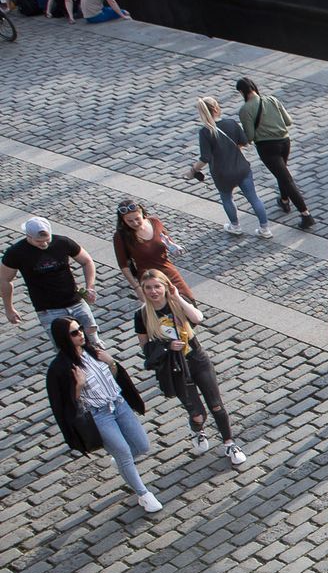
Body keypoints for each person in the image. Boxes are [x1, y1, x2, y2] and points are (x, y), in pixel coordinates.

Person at [43, 316, 161, 513]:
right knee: (123, 453)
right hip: (99, 415)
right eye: (74, 332)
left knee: (141, 446)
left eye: (80, 328)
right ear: (64, 338)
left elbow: (114, 377)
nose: (81, 333)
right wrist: (78, 386)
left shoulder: (93, 351)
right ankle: (143, 494)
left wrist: (112, 363)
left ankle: (122, 463)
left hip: (119, 404)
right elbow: (65, 405)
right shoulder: (61, 369)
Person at [131, 269, 247, 467]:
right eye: (148, 288)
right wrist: (166, 347)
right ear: (143, 289)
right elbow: (145, 346)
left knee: (216, 404)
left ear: (165, 286)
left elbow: (197, 318)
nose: (153, 291)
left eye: (157, 286)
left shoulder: (177, 302)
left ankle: (229, 443)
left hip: (196, 359)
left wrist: (177, 297)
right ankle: (197, 429)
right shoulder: (142, 314)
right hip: (174, 366)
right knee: (197, 413)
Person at [4, 217, 101, 350]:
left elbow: (87, 261)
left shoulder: (62, 242)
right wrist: (9, 308)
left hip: (76, 302)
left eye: (47, 240)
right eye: (39, 241)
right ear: (28, 236)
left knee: (94, 341)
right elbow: (4, 280)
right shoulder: (16, 253)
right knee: (65, 349)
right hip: (48, 310)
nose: (44, 244)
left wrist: (90, 287)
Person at [235, 78, 316, 228]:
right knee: (282, 172)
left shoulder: (245, 110)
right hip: (285, 142)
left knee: (286, 179)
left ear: (241, 92)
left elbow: (250, 137)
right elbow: (288, 121)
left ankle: (306, 214)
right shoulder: (272, 99)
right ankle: (284, 201)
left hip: (267, 147)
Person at [190, 96, 271, 237]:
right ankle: (265, 229)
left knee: (227, 198)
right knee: (253, 198)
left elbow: (205, 158)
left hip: (222, 173)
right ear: (216, 108)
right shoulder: (231, 123)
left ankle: (235, 226)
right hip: (241, 168)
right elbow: (244, 141)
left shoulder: (205, 132)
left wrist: (193, 170)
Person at [112, 200, 194, 303]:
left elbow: (167, 242)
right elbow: (123, 265)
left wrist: (174, 247)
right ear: (123, 221)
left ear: (142, 213)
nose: (135, 223)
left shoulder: (155, 222)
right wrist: (137, 288)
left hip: (169, 272)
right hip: (149, 280)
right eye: (129, 221)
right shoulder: (121, 236)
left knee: (188, 302)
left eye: (137, 218)